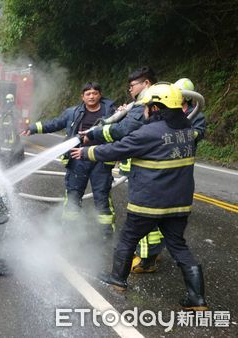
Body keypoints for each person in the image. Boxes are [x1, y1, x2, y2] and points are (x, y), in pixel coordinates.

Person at [70, 83, 208, 311]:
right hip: (179, 205)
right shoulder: (188, 132)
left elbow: (116, 149)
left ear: (155, 108)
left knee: (128, 239)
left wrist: (86, 152)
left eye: (146, 106)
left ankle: (118, 281)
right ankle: (197, 299)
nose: (144, 110)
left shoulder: (148, 133)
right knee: (178, 245)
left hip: (148, 203)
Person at [80, 66, 161, 272]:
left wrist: (96, 134)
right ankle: (151, 254)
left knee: (142, 212)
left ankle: (145, 259)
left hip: (146, 165)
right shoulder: (160, 101)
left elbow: (125, 131)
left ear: (146, 84)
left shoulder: (145, 103)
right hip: (156, 163)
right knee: (157, 213)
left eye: (133, 86)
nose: (130, 90)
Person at [129, 78, 208, 274]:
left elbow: (196, 134)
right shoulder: (161, 110)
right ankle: (148, 257)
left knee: (150, 215)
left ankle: (145, 261)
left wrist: (178, 129)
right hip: (154, 165)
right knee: (160, 222)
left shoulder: (194, 116)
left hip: (176, 166)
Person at [20, 82, 117, 236]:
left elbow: (122, 132)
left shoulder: (112, 113)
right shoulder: (73, 113)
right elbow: (55, 123)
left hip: (101, 159)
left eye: (95, 93)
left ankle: (106, 232)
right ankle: (70, 230)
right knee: (73, 195)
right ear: (82, 97)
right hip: (78, 159)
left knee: (102, 197)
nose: (91, 96)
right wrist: (32, 128)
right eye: (88, 94)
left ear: (100, 95)